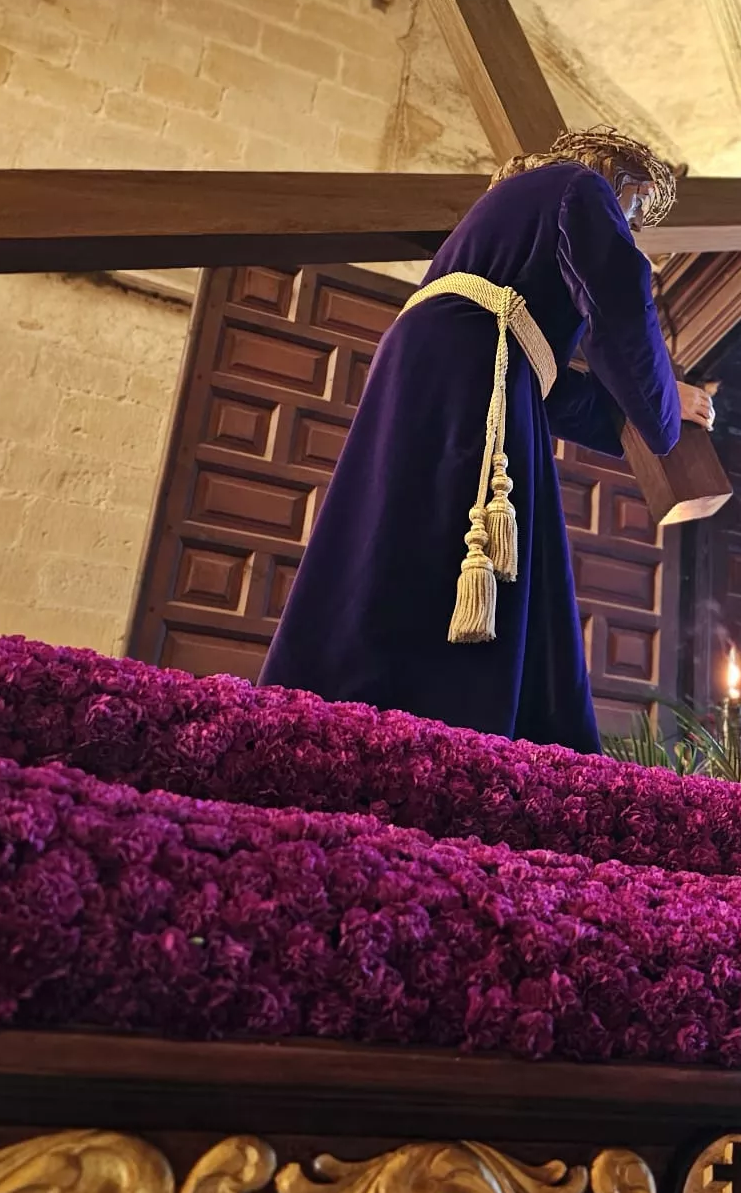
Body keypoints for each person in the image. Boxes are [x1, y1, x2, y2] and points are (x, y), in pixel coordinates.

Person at [260, 128, 714, 753]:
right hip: (472, 366)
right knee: (458, 546)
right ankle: (464, 739)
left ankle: (341, 717)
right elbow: (621, 304)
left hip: (445, 367)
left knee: (390, 539)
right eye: (633, 210)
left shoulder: (499, 237)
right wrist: (669, 406)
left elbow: (551, 390)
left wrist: (643, 414)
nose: (629, 224)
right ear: (616, 172)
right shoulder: (580, 187)